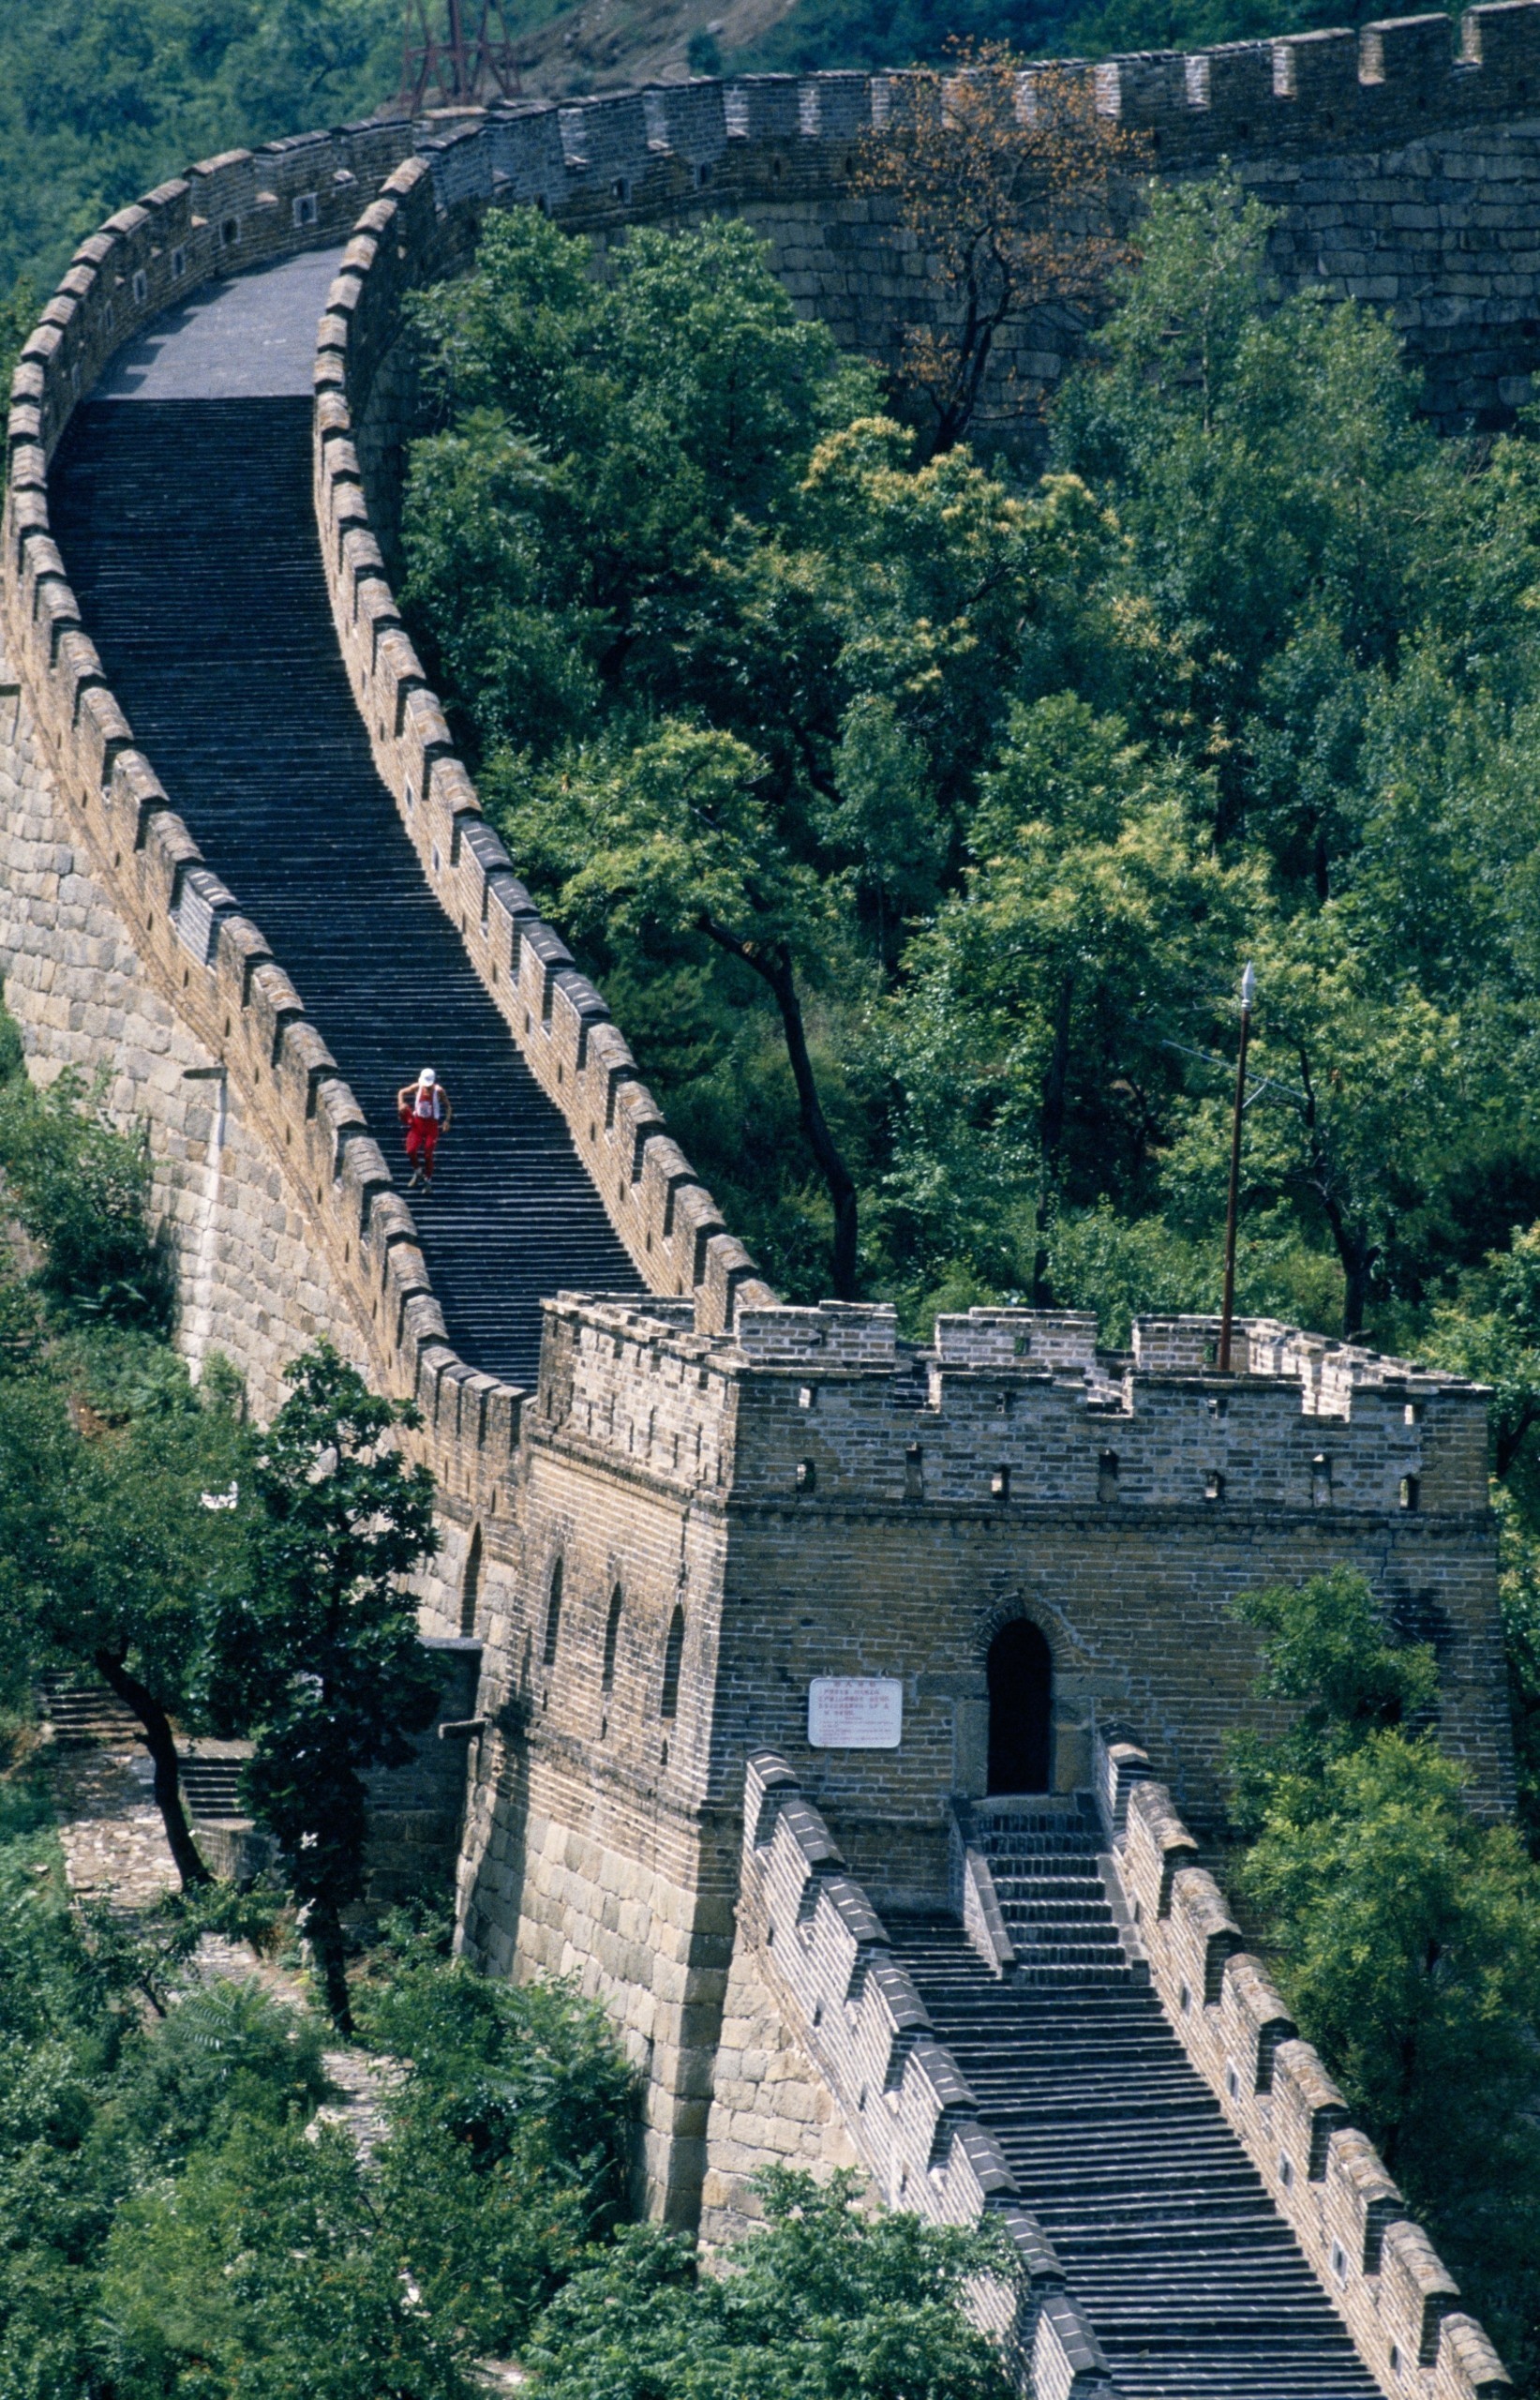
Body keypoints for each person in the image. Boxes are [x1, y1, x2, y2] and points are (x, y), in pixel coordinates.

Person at [396, 1068, 452, 1191]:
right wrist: (400, 1103)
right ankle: (418, 1172)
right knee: (410, 1149)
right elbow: (401, 1092)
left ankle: (428, 1180)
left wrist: (447, 1121)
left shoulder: (439, 1091)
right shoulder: (417, 1087)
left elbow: (448, 1106)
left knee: (428, 1153)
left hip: (431, 1125)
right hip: (418, 1123)